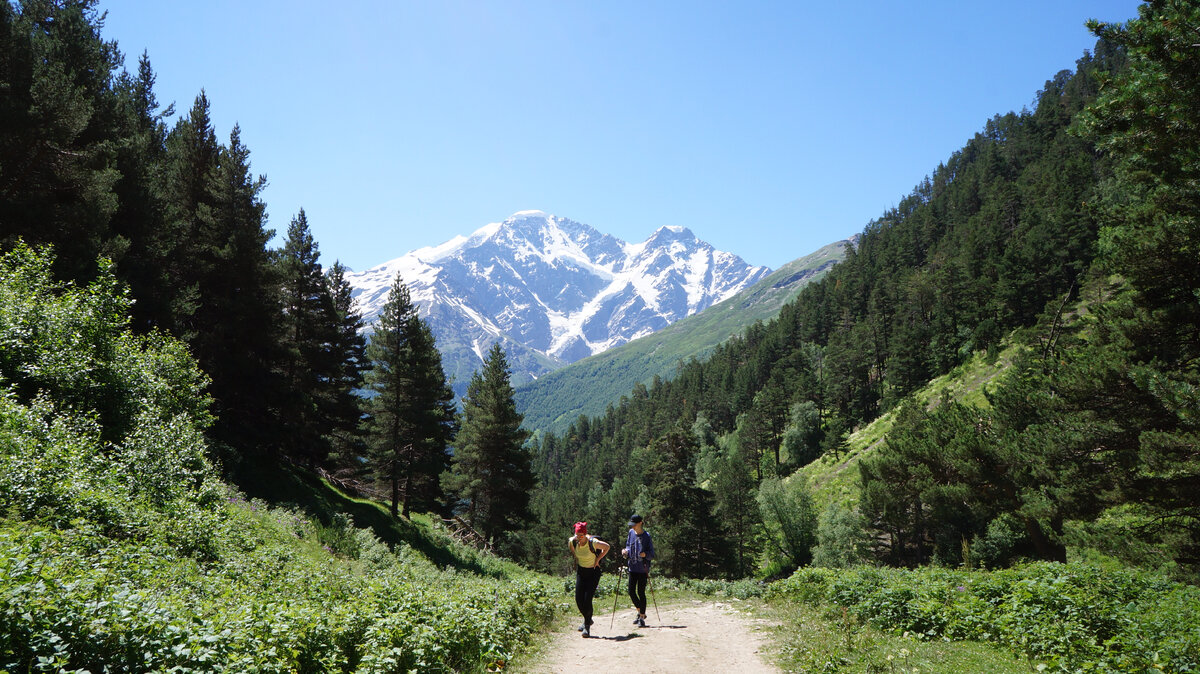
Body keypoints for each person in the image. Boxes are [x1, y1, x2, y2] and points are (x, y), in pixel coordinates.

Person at [568, 521, 609, 637]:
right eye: (577, 535)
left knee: (587, 600)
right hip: (581, 572)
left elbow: (607, 547)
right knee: (578, 600)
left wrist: (597, 560)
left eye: (582, 535)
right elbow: (574, 552)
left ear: (585, 534)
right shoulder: (572, 542)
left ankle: (586, 627)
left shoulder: (593, 542)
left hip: (593, 572)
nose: (579, 538)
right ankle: (588, 618)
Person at [622, 514, 655, 627]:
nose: (632, 527)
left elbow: (652, 554)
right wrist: (625, 551)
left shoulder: (647, 536)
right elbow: (628, 545)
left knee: (641, 592)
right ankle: (640, 612)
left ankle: (641, 617)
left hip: (643, 569)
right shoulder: (631, 533)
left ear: (640, 523)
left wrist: (645, 554)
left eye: (634, 525)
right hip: (632, 567)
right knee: (631, 591)